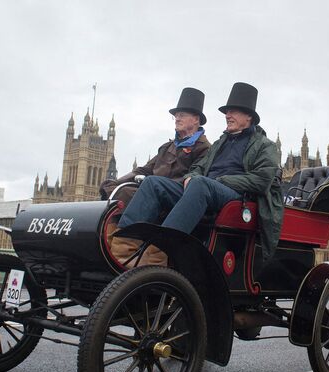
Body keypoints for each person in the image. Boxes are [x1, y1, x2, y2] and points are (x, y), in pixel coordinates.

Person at [116, 82, 283, 262]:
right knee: (153, 183)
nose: (227, 115)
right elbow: (198, 168)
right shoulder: (221, 143)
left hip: (235, 196)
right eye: (227, 112)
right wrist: (191, 176)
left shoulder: (266, 146)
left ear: (248, 116)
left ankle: (159, 254)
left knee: (200, 184)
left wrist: (221, 181)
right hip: (203, 189)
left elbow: (261, 180)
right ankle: (122, 247)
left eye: (233, 111)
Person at [101, 87, 211, 266]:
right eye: (176, 115)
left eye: (182, 114)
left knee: (139, 190)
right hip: (151, 189)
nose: (177, 118)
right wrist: (115, 183)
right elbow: (143, 170)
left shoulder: (204, 149)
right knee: (120, 191)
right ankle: (110, 244)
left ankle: (126, 251)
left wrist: (154, 185)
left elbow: (194, 179)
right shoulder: (167, 147)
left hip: (174, 198)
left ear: (196, 119)